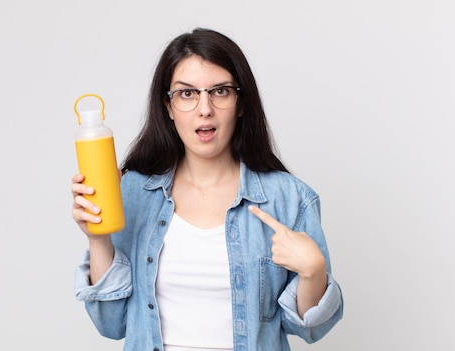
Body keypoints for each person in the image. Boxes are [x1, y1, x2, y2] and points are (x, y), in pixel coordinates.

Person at [71, 28, 343, 351]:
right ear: (168, 107)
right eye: (187, 94)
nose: (204, 109)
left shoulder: (288, 199)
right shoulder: (133, 192)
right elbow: (111, 323)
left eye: (220, 91)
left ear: (241, 103)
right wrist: (98, 240)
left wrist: (314, 271)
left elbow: (315, 328)